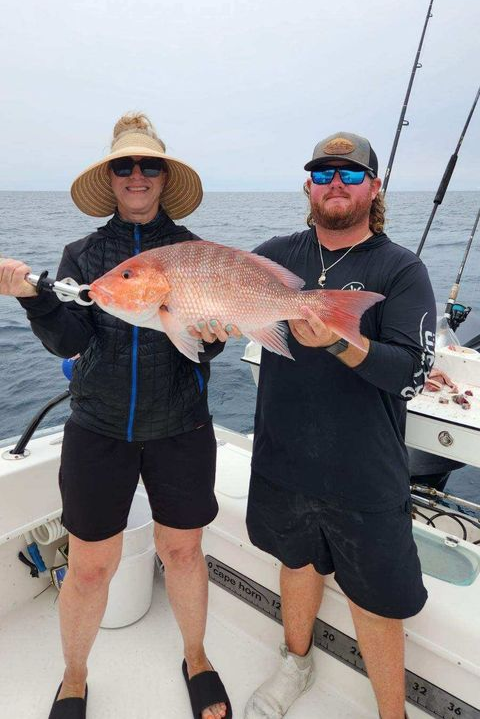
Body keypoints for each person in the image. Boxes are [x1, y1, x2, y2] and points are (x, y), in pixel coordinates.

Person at [0, 113, 232, 719]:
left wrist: (212, 338)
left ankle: (197, 658)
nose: (136, 176)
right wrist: (35, 299)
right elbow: (67, 339)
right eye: (124, 166)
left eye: (148, 165)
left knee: (183, 551)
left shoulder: (195, 253)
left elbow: (207, 343)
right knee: (89, 566)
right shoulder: (83, 254)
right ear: (111, 177)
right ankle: (74, 677)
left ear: (163, 177)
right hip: (98, 427)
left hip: (181, 424)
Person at [244, 132, 436, 719]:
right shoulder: (274, 256)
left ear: (373, 188)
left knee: (376, 600)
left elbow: (410, 374)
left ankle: (391, 712)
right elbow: (225, 320)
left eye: (350, 175)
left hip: (364, 473)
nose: (335, 183)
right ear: (308, 185)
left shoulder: (400, 268)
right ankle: (295, 662)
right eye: (323, 172)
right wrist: (201, 330)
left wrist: (341, 343)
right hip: (282, 460)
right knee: (296, 564)